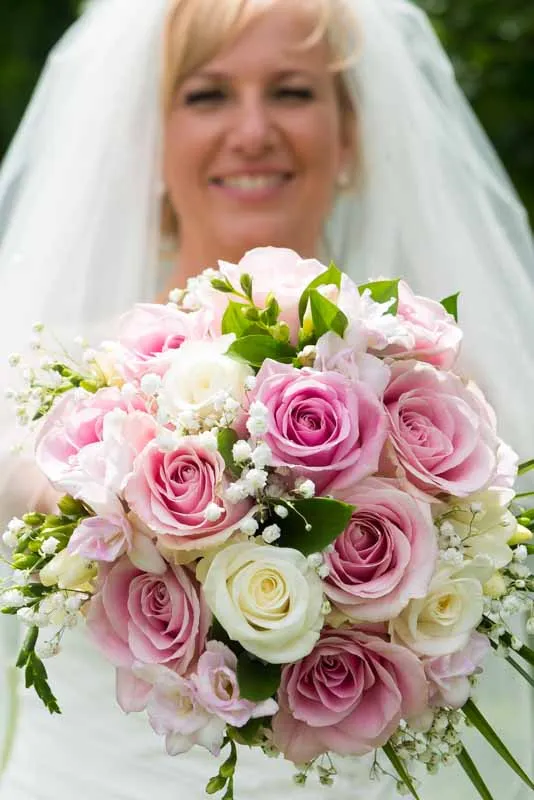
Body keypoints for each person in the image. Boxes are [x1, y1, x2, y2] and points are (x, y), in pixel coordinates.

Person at [0, 0, 532, 798]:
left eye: (291, 92)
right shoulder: (48, 382)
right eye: (208, 95)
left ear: (350, 134)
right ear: (152, 136)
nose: (252, 131)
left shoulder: (447, 393)